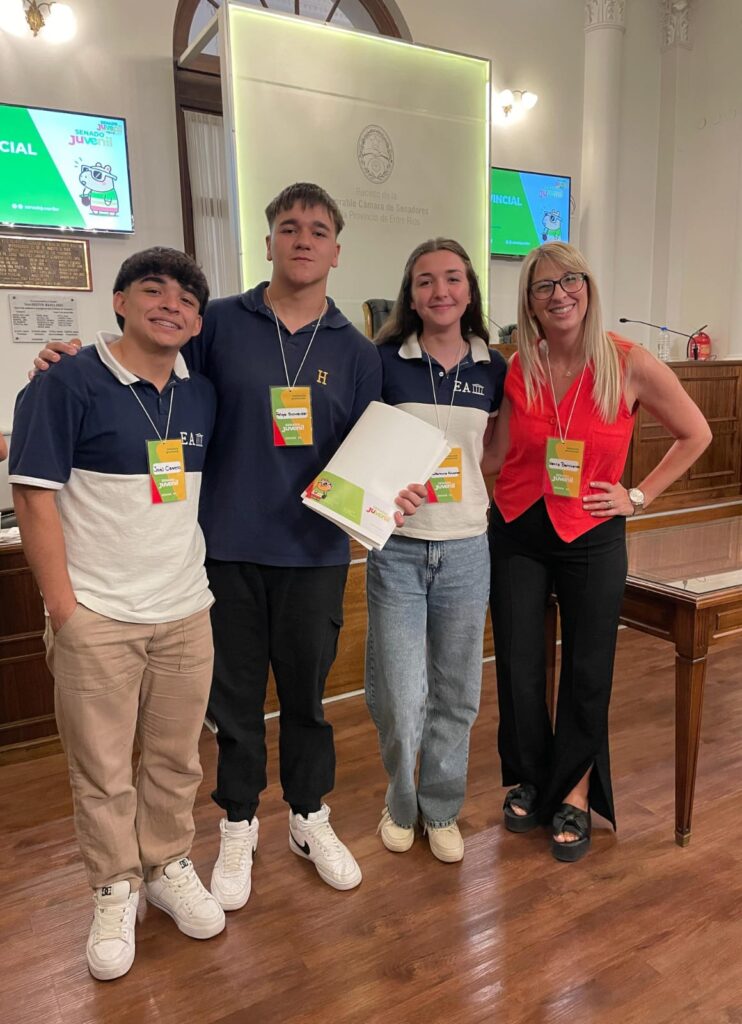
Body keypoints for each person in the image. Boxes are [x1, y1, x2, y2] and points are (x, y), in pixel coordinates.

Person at [32, 182, 425, 910]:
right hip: (222, 555)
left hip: (314, 554)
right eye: (287, 226)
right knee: (235, 708)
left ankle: (309, 817)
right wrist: (68, 366)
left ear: (336, 251)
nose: (302, 238)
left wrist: (392, 490)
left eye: (316, 229)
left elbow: (370, 453)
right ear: (268, 240)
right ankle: (239, 824)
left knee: (307, 702)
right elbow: (146, 378)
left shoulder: (356, 350)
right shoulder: (214, 323)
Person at [10, 248, 225, 981]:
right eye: (154, 291)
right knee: (101, 771)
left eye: (188, 300)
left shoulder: (203, 393)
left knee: (175, 760)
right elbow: (33, 496)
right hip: (97, 616)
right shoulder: (64, 384)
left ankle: (165, 867)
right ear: (120, 301)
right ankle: (114, 887)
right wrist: (65, 610)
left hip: (186, 612)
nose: (172, 306)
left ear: (198, 321)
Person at [485, 242, 712, 862]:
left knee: (588, 669)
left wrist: (636, 496)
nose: (560, 294)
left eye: (570, 281)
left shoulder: (627, 361)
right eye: (544, 287)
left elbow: (697, 433)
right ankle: (533, 779)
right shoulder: (519, 364)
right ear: (528, 303)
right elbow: (496, 451)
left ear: (587, 286)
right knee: (520, 666)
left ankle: (576, 791)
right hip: (518, 526)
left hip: (591, 529)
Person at [366, 239, 506, 862]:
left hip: (468, 549)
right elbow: (361, 446)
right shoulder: (382, 362)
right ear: (410, 294)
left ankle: (442, 807)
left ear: (470, 290)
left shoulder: (493, 368)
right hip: (397, 549)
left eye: (452, 279)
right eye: (425, 281)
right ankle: (401, 802)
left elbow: (493, 454)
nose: (440, 291)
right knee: (398, 692)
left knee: (457, 692)